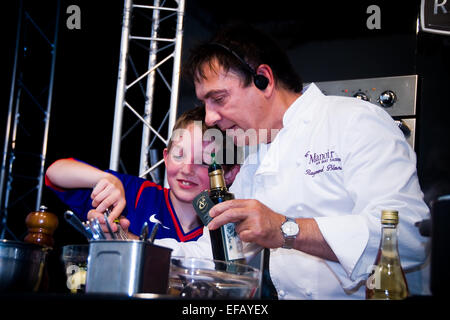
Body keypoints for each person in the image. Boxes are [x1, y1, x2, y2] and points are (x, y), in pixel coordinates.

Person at [155, 23, 430, 299]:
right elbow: (215, 254)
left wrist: (286, 230)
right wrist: (132, 246)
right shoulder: (256, 159)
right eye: (205, 104)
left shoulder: (353, 122)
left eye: (218, 99)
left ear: (264, 79)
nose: (210, 118)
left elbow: (408, 234)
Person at [45, 106, 240, 241]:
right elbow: (55, 172)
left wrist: (127, 240)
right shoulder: (134, 194)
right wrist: (105, 179)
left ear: (230, 174)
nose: (187, 169)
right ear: (166, 156)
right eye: (179, 154)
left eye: (204, 161)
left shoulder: (226, 231)